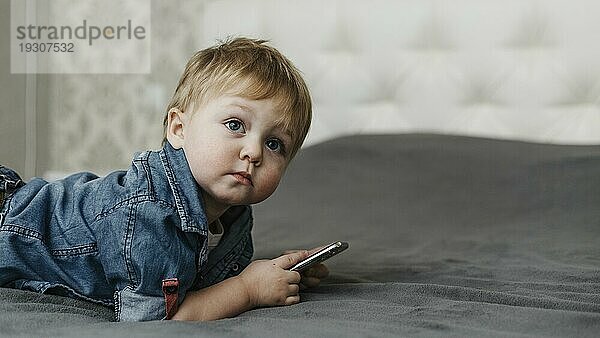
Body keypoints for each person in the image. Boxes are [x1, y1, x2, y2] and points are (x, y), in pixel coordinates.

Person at [0, 37, 328, 322]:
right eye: (234, 125)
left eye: (275, 144)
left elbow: (199, 283)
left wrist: (274, 273)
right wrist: (247, 289)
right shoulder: (150, 213)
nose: (253, 151)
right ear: (178, 129)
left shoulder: (234, 216)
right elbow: (155, 319)